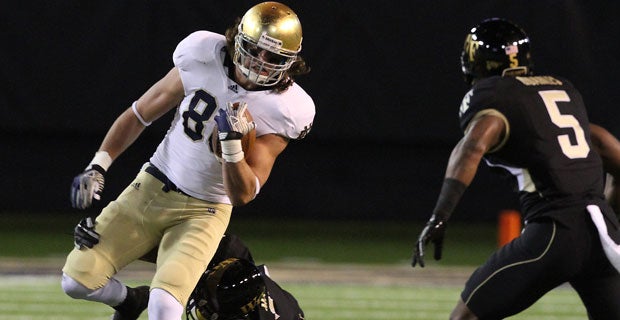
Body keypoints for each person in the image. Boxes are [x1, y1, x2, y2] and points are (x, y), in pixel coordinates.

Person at [61, 2, 315, 320]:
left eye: (275, 58)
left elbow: (244, 194)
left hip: (207, 208)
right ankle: (129, 301)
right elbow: (140, 113)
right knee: (75, 282)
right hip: (153, 184)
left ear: (290, 62)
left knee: (165, 306)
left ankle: (148, 301)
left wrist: (232, 149)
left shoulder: (288, 108)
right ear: (237, 39)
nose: (262, 63)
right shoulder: (201, 53)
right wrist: (98, 165)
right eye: (254, 49)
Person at [411, 17, 620, 319]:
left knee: (465, 317)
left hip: (555, 233)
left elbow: (473, 145)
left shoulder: (495, 96)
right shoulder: (563, 89)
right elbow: (601, 143)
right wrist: (608, 211)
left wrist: (440, 215)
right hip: (604, 235)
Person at [73, 225, 305, 320]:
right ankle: (131, 302)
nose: (200, 301)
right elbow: (157, 246)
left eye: (208, 304)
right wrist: (105, 240)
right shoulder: (224, 252)